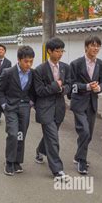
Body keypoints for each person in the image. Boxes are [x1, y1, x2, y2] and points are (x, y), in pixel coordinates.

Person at [33, 37, 72, 181]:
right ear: (49, 51)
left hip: (59, 107)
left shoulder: (65, 67)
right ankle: (58, 170)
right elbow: (39, 91)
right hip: (44, 108)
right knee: (53, 138)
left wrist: (63, 89)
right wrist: (56, 85)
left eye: (62, 50)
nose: (60, 53)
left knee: (51, 135)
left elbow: (69, 84)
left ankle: (40, 150)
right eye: (57, 51)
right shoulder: (39, 70)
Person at [69, 36, 102, 175]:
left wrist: (99, 88)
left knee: (89, 134)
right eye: (93, 45)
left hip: (92, 103)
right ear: (86, 47)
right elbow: (71, 85)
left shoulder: (101, 64)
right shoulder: (76, 64)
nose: (96, 48)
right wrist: (86, 86)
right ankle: (81, 161)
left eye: (98, 46)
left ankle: (78, 156)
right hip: (78, 103)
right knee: (84, 131)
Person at [0, 45, 36, 176]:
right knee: (13, 133)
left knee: (21, 134)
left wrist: (31, 102)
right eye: (26, 61)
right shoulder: (8, 72)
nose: (29, 64)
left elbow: (34, 91)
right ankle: (9, 161)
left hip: (25, 108)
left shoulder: (33, 73)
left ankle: (18, 161)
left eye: (31, 61)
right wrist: (4, 105)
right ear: (19, 60)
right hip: (11, 107)